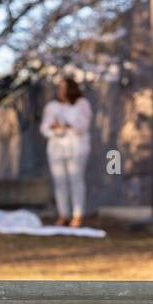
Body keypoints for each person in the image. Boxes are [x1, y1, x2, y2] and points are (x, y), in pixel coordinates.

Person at [40, 77, 92, 227]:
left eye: (64, 88)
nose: (61, 91)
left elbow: (82, 126)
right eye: (59, 88)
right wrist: (55, 129)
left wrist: (66, 125)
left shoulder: (82, 104)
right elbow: (45, 128)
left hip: (76, 149)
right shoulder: (52, 106)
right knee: (60, 183)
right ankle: (63, 214)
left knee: (76, 181)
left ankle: (77, 215)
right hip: (56, 150)